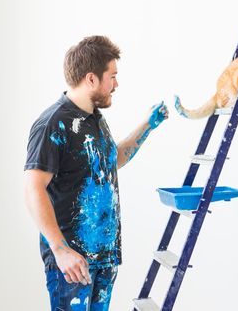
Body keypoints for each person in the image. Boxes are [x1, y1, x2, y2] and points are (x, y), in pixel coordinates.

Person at [23, 36, 169, 310]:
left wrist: (148, 125)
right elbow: (33, 189)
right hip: (72, 265)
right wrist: (60, 250)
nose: (116, 84)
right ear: (91, 79)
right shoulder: (53, 124)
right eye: (112, 76)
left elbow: (112, 160)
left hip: (104, 257)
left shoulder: (95, 120)